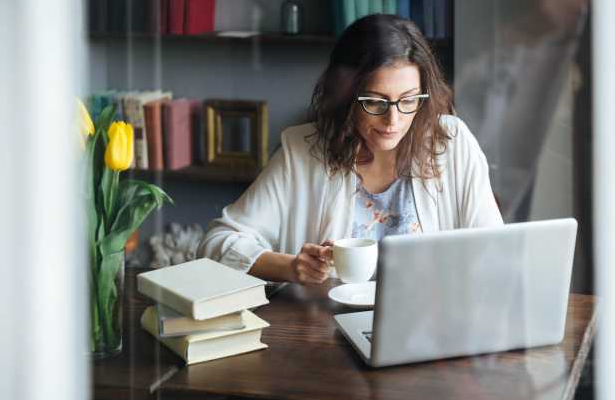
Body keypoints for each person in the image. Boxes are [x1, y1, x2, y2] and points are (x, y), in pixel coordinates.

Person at [197, 14, 503, 286]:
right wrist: (291, 267)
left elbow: (494, 250)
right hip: (324, 329)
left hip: (428, 326)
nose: (393, 120)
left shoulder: (452, 143)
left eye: (408, 100)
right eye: (374, 101)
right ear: (345, 98)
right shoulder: (302, 153)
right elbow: (217, 243)